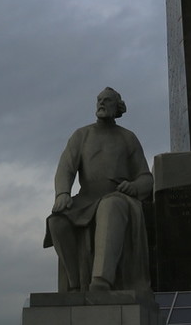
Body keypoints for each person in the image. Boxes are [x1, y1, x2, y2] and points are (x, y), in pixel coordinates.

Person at [44, 87, 153, 292]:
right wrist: (62, 193)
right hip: (86, 199)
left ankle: (101, 281)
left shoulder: (128, 138)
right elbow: (65, 168)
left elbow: (146, 177)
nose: (102, 103)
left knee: (110, 205)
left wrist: (134, 186)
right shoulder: (81, 135)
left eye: (107, 100)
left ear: (117, 106)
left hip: (119, 197)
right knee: (57, 220)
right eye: (99, 100)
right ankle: (74, 285)